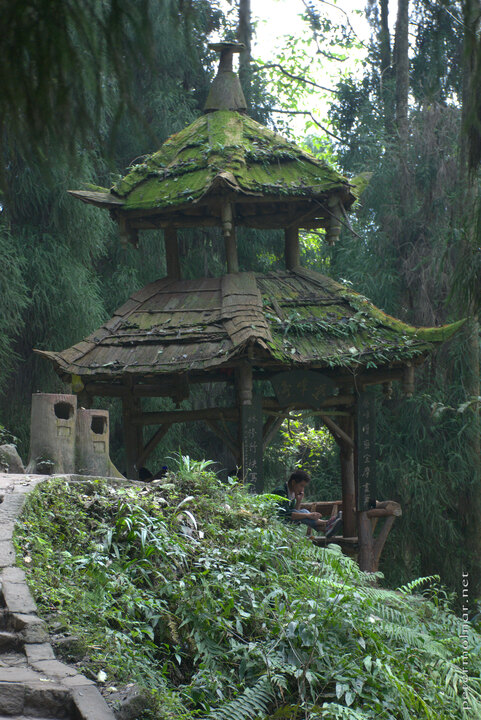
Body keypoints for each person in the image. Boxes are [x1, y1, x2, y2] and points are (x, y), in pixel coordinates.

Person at [272, 469, 343, 537]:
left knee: (303, 512)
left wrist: (298, 500)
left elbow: (295, 511)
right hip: (276, 522)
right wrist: (308, 515)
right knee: (304, 512)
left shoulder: (292, 493)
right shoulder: (281, 492)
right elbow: (286, 515)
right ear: (293, 482)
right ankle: (326, 524)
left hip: (286, 521)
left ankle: (325, 528)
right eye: (301, 485)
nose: (302, 489)